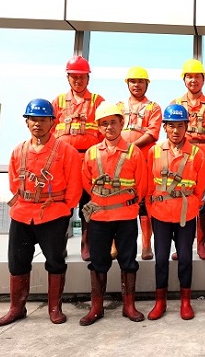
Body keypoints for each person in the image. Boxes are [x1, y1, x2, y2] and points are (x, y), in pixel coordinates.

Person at [0, 99, 82, 327]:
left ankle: (55, 308)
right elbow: (14, 182)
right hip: (22, 213)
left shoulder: (67, 151)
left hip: (53, 214)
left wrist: (64, 209)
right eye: (33, 119)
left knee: (55, 261)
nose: (37, 124)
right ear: (26, 122)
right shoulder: (18, 150)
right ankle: (16, 308)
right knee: (17, 261)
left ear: (52, 122)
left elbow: (74, 186)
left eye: (43, 120)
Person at [79, 102, 147, 326]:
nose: (109, 127)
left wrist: (125, 204)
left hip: (126, 217)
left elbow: (142, 185)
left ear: (122, 123)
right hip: (99, 218)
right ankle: (96, 307)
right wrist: (103, 201)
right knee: (98, 261)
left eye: (113, 122)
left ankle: (129, 306)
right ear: (99, 127)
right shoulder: (91, 153)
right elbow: (86, 183)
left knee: (128, 261)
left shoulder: (134, 152)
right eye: (104, 123)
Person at [146, 104, 205, 320]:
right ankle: (160, 302)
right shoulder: (154, 152)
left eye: (180, 126)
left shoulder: (196, 154)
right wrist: (153, 209)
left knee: (185, 259)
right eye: (171, 126)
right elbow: (148, 186)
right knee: (161, 259)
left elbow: (200, 188)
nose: (175, 131)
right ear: (164, 127)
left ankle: (185, 302)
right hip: (161, 214)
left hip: (185, 215)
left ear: (186, 127)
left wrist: (191, 206)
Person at [51, 56, 105, 261]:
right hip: (63, 163)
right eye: (74, 77)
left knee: (87, 204)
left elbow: (105, 131)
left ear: (88, 78)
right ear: (68, 78)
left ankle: (86, 243)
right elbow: (50, 131)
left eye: (82, 77)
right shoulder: (58, 102)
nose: (78, 81)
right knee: (63, 204)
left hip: (88, 162)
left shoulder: (97, 102)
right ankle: (60, 244)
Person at [170, 59, 205, 261]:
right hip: (182, 159)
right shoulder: (175, 104)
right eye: (189, 77)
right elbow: (170, 132)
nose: (193, 80)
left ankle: (201, 244)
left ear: (203, 80)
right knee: (181, 201)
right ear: (184, 80)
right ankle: (181, 246)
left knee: (203, 204)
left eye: (197, 77)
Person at [117, 66, 162, 260]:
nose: (137, 85)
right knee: (118, 199)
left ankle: (145, 245)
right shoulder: (118, 107)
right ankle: (115, 244)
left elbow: (153, 133)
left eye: (141, 81)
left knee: (144, 201)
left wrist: (131, 147)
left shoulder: (153, 107)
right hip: (121, 161)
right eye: (133, 81)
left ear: (147, 84)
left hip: (143, 161)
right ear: (127, 84)